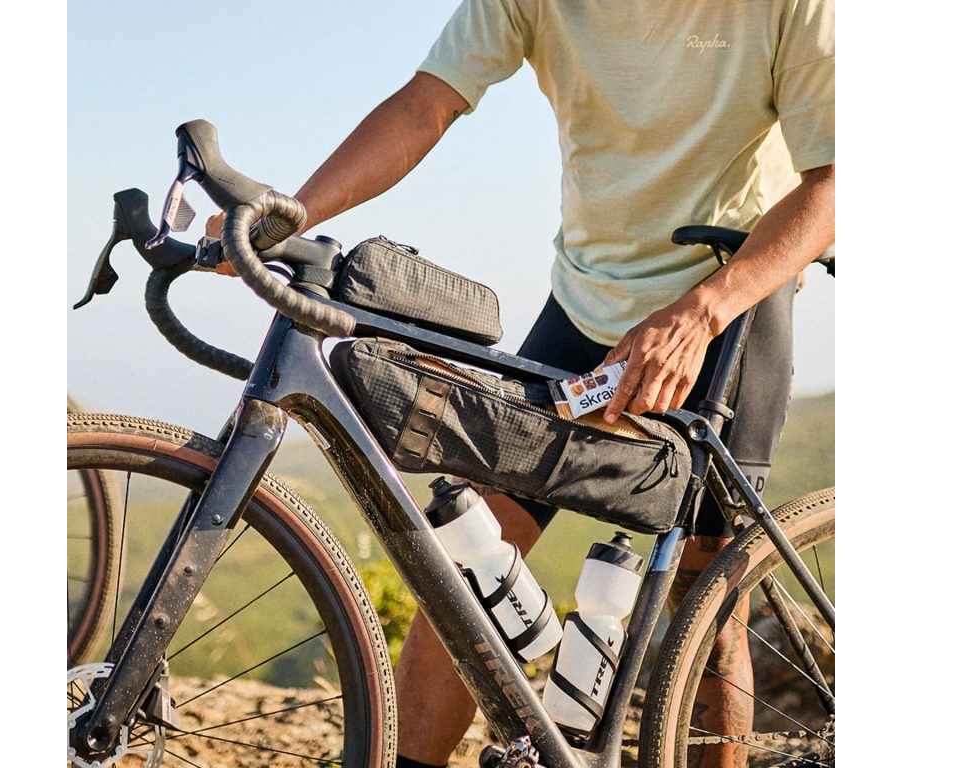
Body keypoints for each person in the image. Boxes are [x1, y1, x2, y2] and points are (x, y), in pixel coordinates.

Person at [212, 2, 833, 766]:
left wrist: (700, 314)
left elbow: (835, 183)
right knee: (469, 569)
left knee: (707, 615)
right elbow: (427, 102)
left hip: (727, 310)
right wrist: (292, 214)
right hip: (586, 302)